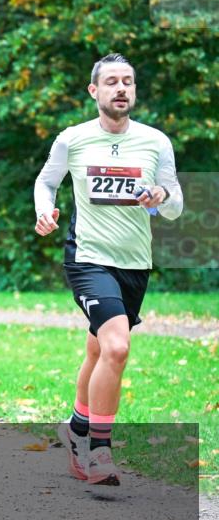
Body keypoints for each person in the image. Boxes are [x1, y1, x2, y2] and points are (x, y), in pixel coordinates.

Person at [34, 53, 183, 486]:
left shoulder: (156, 142)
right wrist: (46, 211)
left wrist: (160, 196)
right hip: (88, 257)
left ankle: (75, 425)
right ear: (94, 91)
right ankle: (99, 448)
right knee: (116, 347)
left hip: (135, 263)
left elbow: (175, 206)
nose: (121, 88)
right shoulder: (73, 139)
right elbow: (46, 181)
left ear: (134, 91)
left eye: (128, 82)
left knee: (99, 351)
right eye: (112, 82)